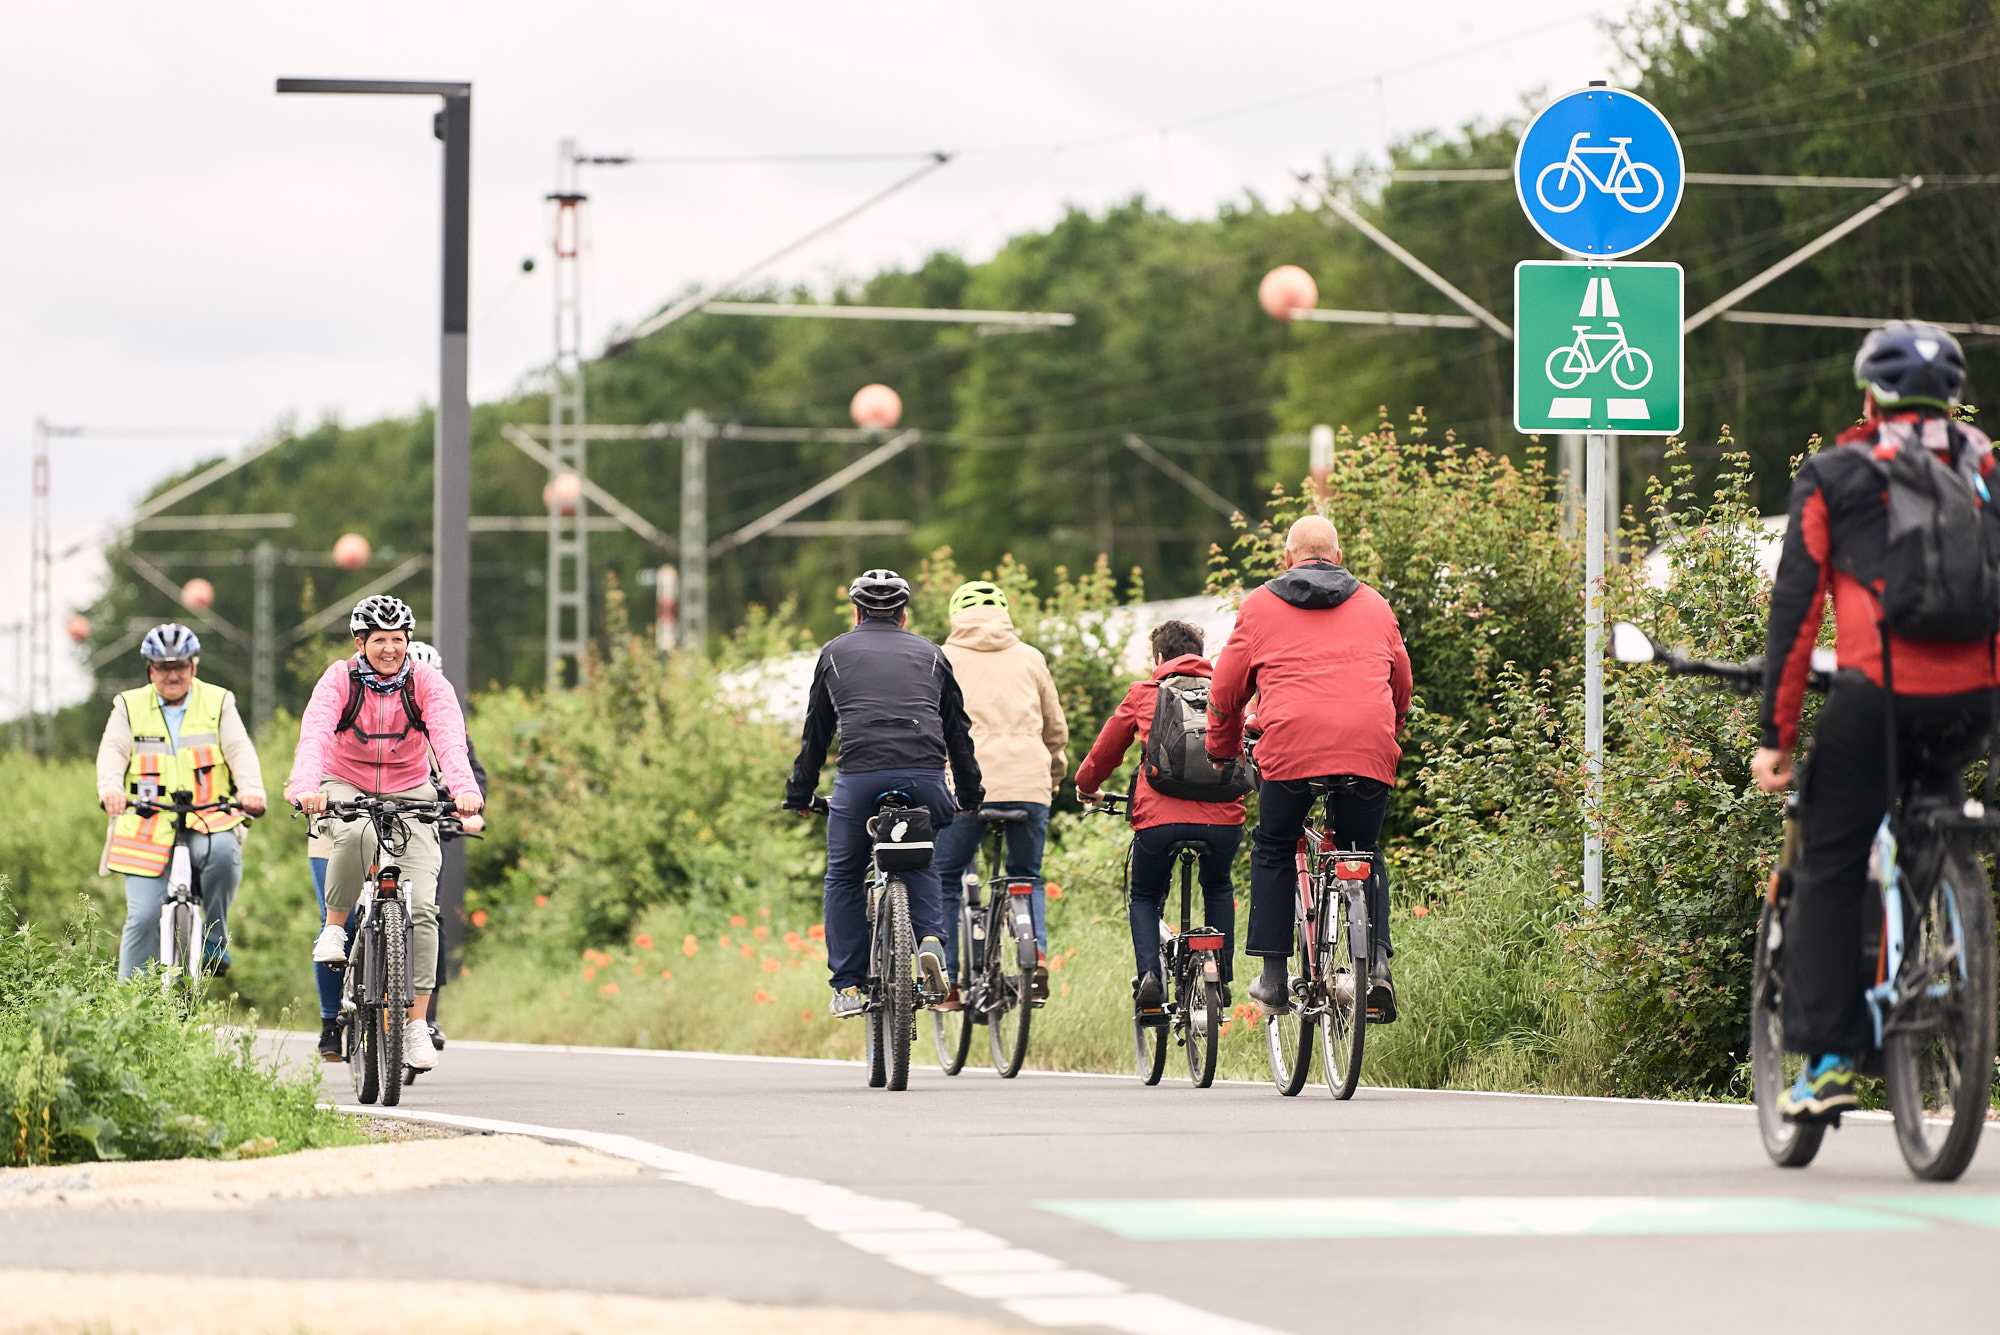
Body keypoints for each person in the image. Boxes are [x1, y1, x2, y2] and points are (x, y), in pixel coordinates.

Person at [1757, 321, 1997, 1121]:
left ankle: (1827, 1062)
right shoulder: (1986, 468)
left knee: (1830, 855)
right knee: (1934, 805)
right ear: (1951, 401)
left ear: (1870, 395)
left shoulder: (1835, 473)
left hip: (1878, 697)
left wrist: (1777, 735)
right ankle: (1946, 927)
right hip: (1973, 701)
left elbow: (1796, 616)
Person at [1205, 514, 1412, 1018]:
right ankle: (1378, 967)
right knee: (1364, 850)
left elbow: (1226, 693)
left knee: (1275, 846)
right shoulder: (1375, 605)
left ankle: (1274, 977)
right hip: (1368, 746)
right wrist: (1385, 736)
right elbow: (1401, 686)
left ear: (1287, 558)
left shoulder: (1259, 605)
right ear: (1338, 557)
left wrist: (1221, 750)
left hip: (1290, 748)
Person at [287, 595, 482, 1074]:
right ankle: (335, 928)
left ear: (408, 642)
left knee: (421, 910)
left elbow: (450, 739)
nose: (391, 649)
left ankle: (415, 1025)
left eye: (398, 640)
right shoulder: (339, 679)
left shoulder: (427, 683)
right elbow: (314, 734)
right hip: (343, 781)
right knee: (352, 834)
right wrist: (306, 788)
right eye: (380, 641)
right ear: (361, 643)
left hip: (410, 787)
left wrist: (464, 792)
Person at [784, 569, 984, 1017]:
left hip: (859, 780)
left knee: (844, 874)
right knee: (922, 856)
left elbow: (816, 732)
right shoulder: (932, 654)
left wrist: (800, 792)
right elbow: (958, 731)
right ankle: (931, 940)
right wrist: (970, 793)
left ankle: (849, 986)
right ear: (903, 615)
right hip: (925, 778)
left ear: (856, 612)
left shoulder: (834, 653)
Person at [1075, 618, 1245, 1011]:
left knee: (1145, 896)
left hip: (1159, 820)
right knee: (1218, 885)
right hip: (1223, 818)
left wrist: (1087, 787)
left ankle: (1151, 978)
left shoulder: (1143, 694)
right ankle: (1221, 977)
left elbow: (1105, 753)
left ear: (1158, 657)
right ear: (1201, 656)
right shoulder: (1228, 693)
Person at [96, 623, 267, 979]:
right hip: (147, 822)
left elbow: (239, 750)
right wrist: (110, 787)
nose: (172, 675)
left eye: (180, 666)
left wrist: (251, 789)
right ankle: (129, 1007)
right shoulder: (129, 706)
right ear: (150, 670)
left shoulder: (219, 701)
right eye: (163, 667)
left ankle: (214, 939)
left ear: (194, 666)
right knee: (141, 916)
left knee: (223, 853)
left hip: (208, 817)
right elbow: (112, 751)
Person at [931, 580, 1068, 1007]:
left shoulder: (942, 659)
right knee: (1026, 876)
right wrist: (1055, 774)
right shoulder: (1030, 658)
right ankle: (1036, 956)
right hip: (1029, 785)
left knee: (945, 877)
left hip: (965, 789)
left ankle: (948, 983)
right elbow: (1054, 727)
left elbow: (930, 727)